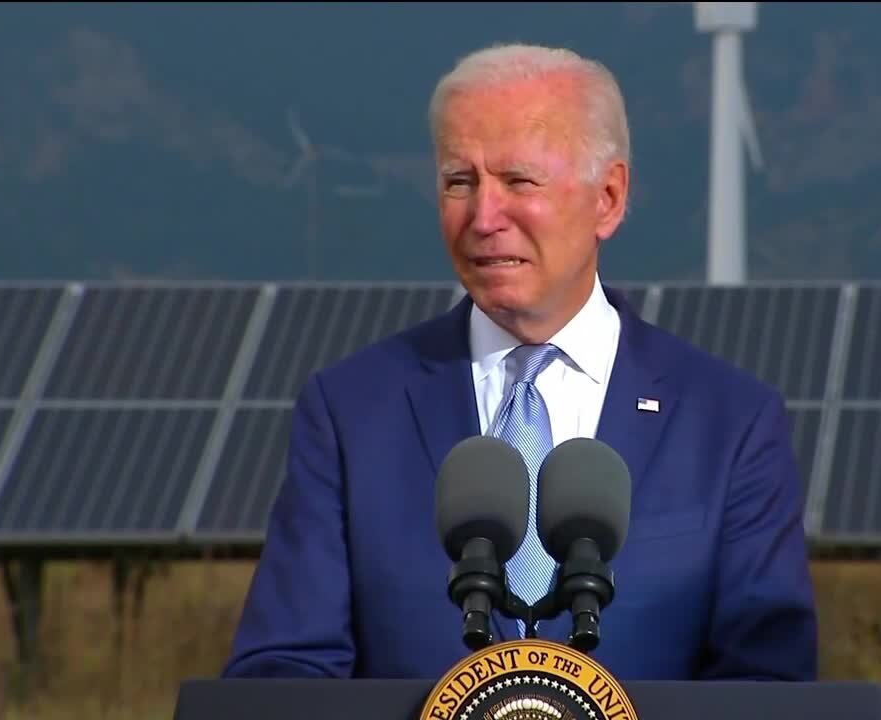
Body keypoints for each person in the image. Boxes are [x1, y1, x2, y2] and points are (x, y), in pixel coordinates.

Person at [222, 42, 817, 682]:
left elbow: (767, 681)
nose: (483, 217)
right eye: (459, 182)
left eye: (518, 181)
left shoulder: (730, 424)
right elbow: (284, 669)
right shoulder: (352, 413)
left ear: (608, 198)